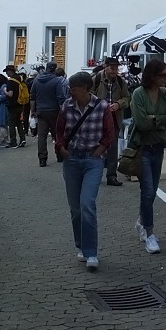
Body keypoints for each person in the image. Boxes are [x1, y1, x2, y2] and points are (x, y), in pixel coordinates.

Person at [54, 71, 115, 271]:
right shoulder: (66, 106)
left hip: (92, 160)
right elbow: (59, 131)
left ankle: (91, 252)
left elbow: (109, 134)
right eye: (70, 88)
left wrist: (99, 151)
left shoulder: (102, 107)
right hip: (71, 160)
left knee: (87, 203)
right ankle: (80, 245)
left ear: (86, 89)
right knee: (75, 209)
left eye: (74, 88)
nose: (71, 92)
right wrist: (61, 148)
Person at [128, 58, 166, 255]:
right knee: (147, 191)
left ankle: (141, 222)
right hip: (143, 148)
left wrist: (155, 118)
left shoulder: (165, 94)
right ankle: (149, 233)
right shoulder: (138, 94)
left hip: (158, 147)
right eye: (163, 75)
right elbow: (141, 123)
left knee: (152, 190)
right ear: (152, 75)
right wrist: (161, 119)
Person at [92, 57, 130, 186]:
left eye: (116, 68)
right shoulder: (96, 79)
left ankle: (111, 176)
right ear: (105, 66)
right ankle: (94, 175)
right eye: (111, 68)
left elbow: (127, 98)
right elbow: (89, 96)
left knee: (113, 148)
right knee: (98, 147)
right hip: (98, 119)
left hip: (114, 119)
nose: (114, 71)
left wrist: (118, 104)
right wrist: (99, 105)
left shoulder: (120, 81)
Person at [31, 62, 67, 167]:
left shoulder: (37, 80)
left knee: (42, 136)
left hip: (41, 111)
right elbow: (61, 98)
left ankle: (42, 159)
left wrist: (32, 111)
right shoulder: (57, 81)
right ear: (54, 69)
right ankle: (59, 155)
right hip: (55, 111)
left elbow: (32, 97)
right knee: (57, 135)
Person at [4, 66, 27, 148]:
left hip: (12, 105)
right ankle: (22, 139)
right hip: (20, 104)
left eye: (7, 71)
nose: (6, 73)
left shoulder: (11, 81)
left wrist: (5, 91)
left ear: (10, 71)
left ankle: (13, 141)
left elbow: (10, 94)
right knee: (19, 123)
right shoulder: (20, 78)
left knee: (12, 124)